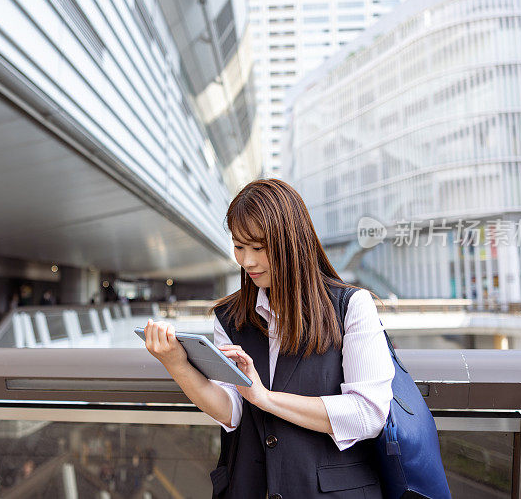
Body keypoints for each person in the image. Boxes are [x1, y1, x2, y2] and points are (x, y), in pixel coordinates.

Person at [144, 179, 393, 499]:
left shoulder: (351, 306)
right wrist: (177, 364)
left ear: (293, 241)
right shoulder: (230, 317)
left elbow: (368, 414)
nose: (247, 261)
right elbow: (232, 412)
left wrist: (264, 397)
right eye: (239, 246)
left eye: (258, 248)